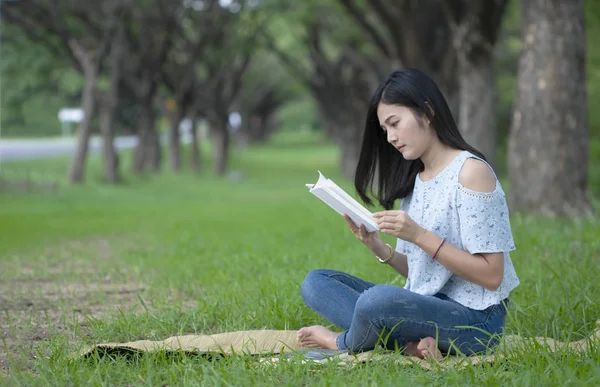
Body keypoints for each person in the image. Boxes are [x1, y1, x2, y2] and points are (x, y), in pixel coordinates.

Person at [297, 68, 520, 359]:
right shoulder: (416, 180)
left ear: (426, 112)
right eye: (385, 130)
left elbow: (492, 275)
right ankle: (412, 346)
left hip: (476, 321)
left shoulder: (471, 173)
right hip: (425, 308)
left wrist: (418, 235)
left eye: (394, 123)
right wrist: (379, 248)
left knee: (378, 301)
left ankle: (342, 342)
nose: (390, 137)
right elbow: (424, 274)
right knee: (316, 283)